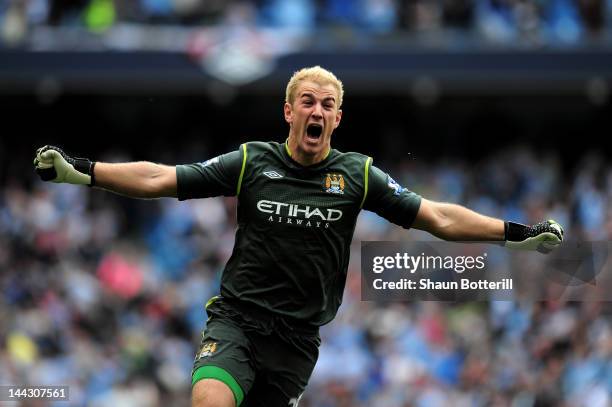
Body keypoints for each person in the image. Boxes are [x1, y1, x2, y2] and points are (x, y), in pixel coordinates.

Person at [33, 66, 563, 407]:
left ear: (337, 118)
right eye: (307, 101)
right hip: (237, 321)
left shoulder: (357, 175)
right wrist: (85, 170)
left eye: (327, 104)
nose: (317, 111)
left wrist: (514, 234)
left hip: (296, 341)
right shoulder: (250, 161)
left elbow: (438, 218)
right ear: (289, 111)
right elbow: (161, 177)